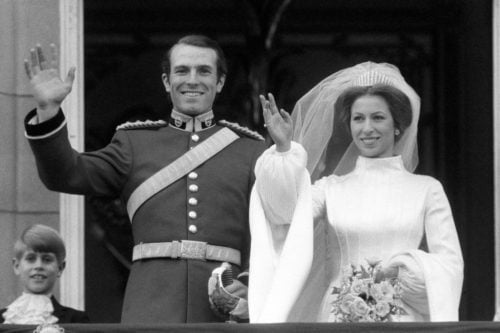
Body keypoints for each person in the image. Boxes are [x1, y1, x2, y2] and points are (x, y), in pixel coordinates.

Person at [22, 35, 266, 323]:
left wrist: (252, 284)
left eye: (204, 71)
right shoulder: (133, 143)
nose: (192, 79)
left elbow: (268, 231)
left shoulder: (250, 150)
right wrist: (48, 111)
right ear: (166, 81)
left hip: (223, 306)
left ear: (220, 82)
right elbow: (68, 173)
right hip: (151, 308)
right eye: (181, 70)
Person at [248, 62, 464, 322]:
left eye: (378, 117)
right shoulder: (329, 189)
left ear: (398, 125)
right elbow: (283, 214)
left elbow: (450, 264)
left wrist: (406, 269)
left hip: (404, 319)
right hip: (339, 315)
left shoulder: (427, 189)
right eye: (358, 118)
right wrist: (284, 149)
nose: (367, 128)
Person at [0, 224, 90, 324]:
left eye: (47, 260)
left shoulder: (76, 320)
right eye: (31, 259)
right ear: (17, 266)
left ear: (60, 268)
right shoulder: (3, 319)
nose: (38, 266)